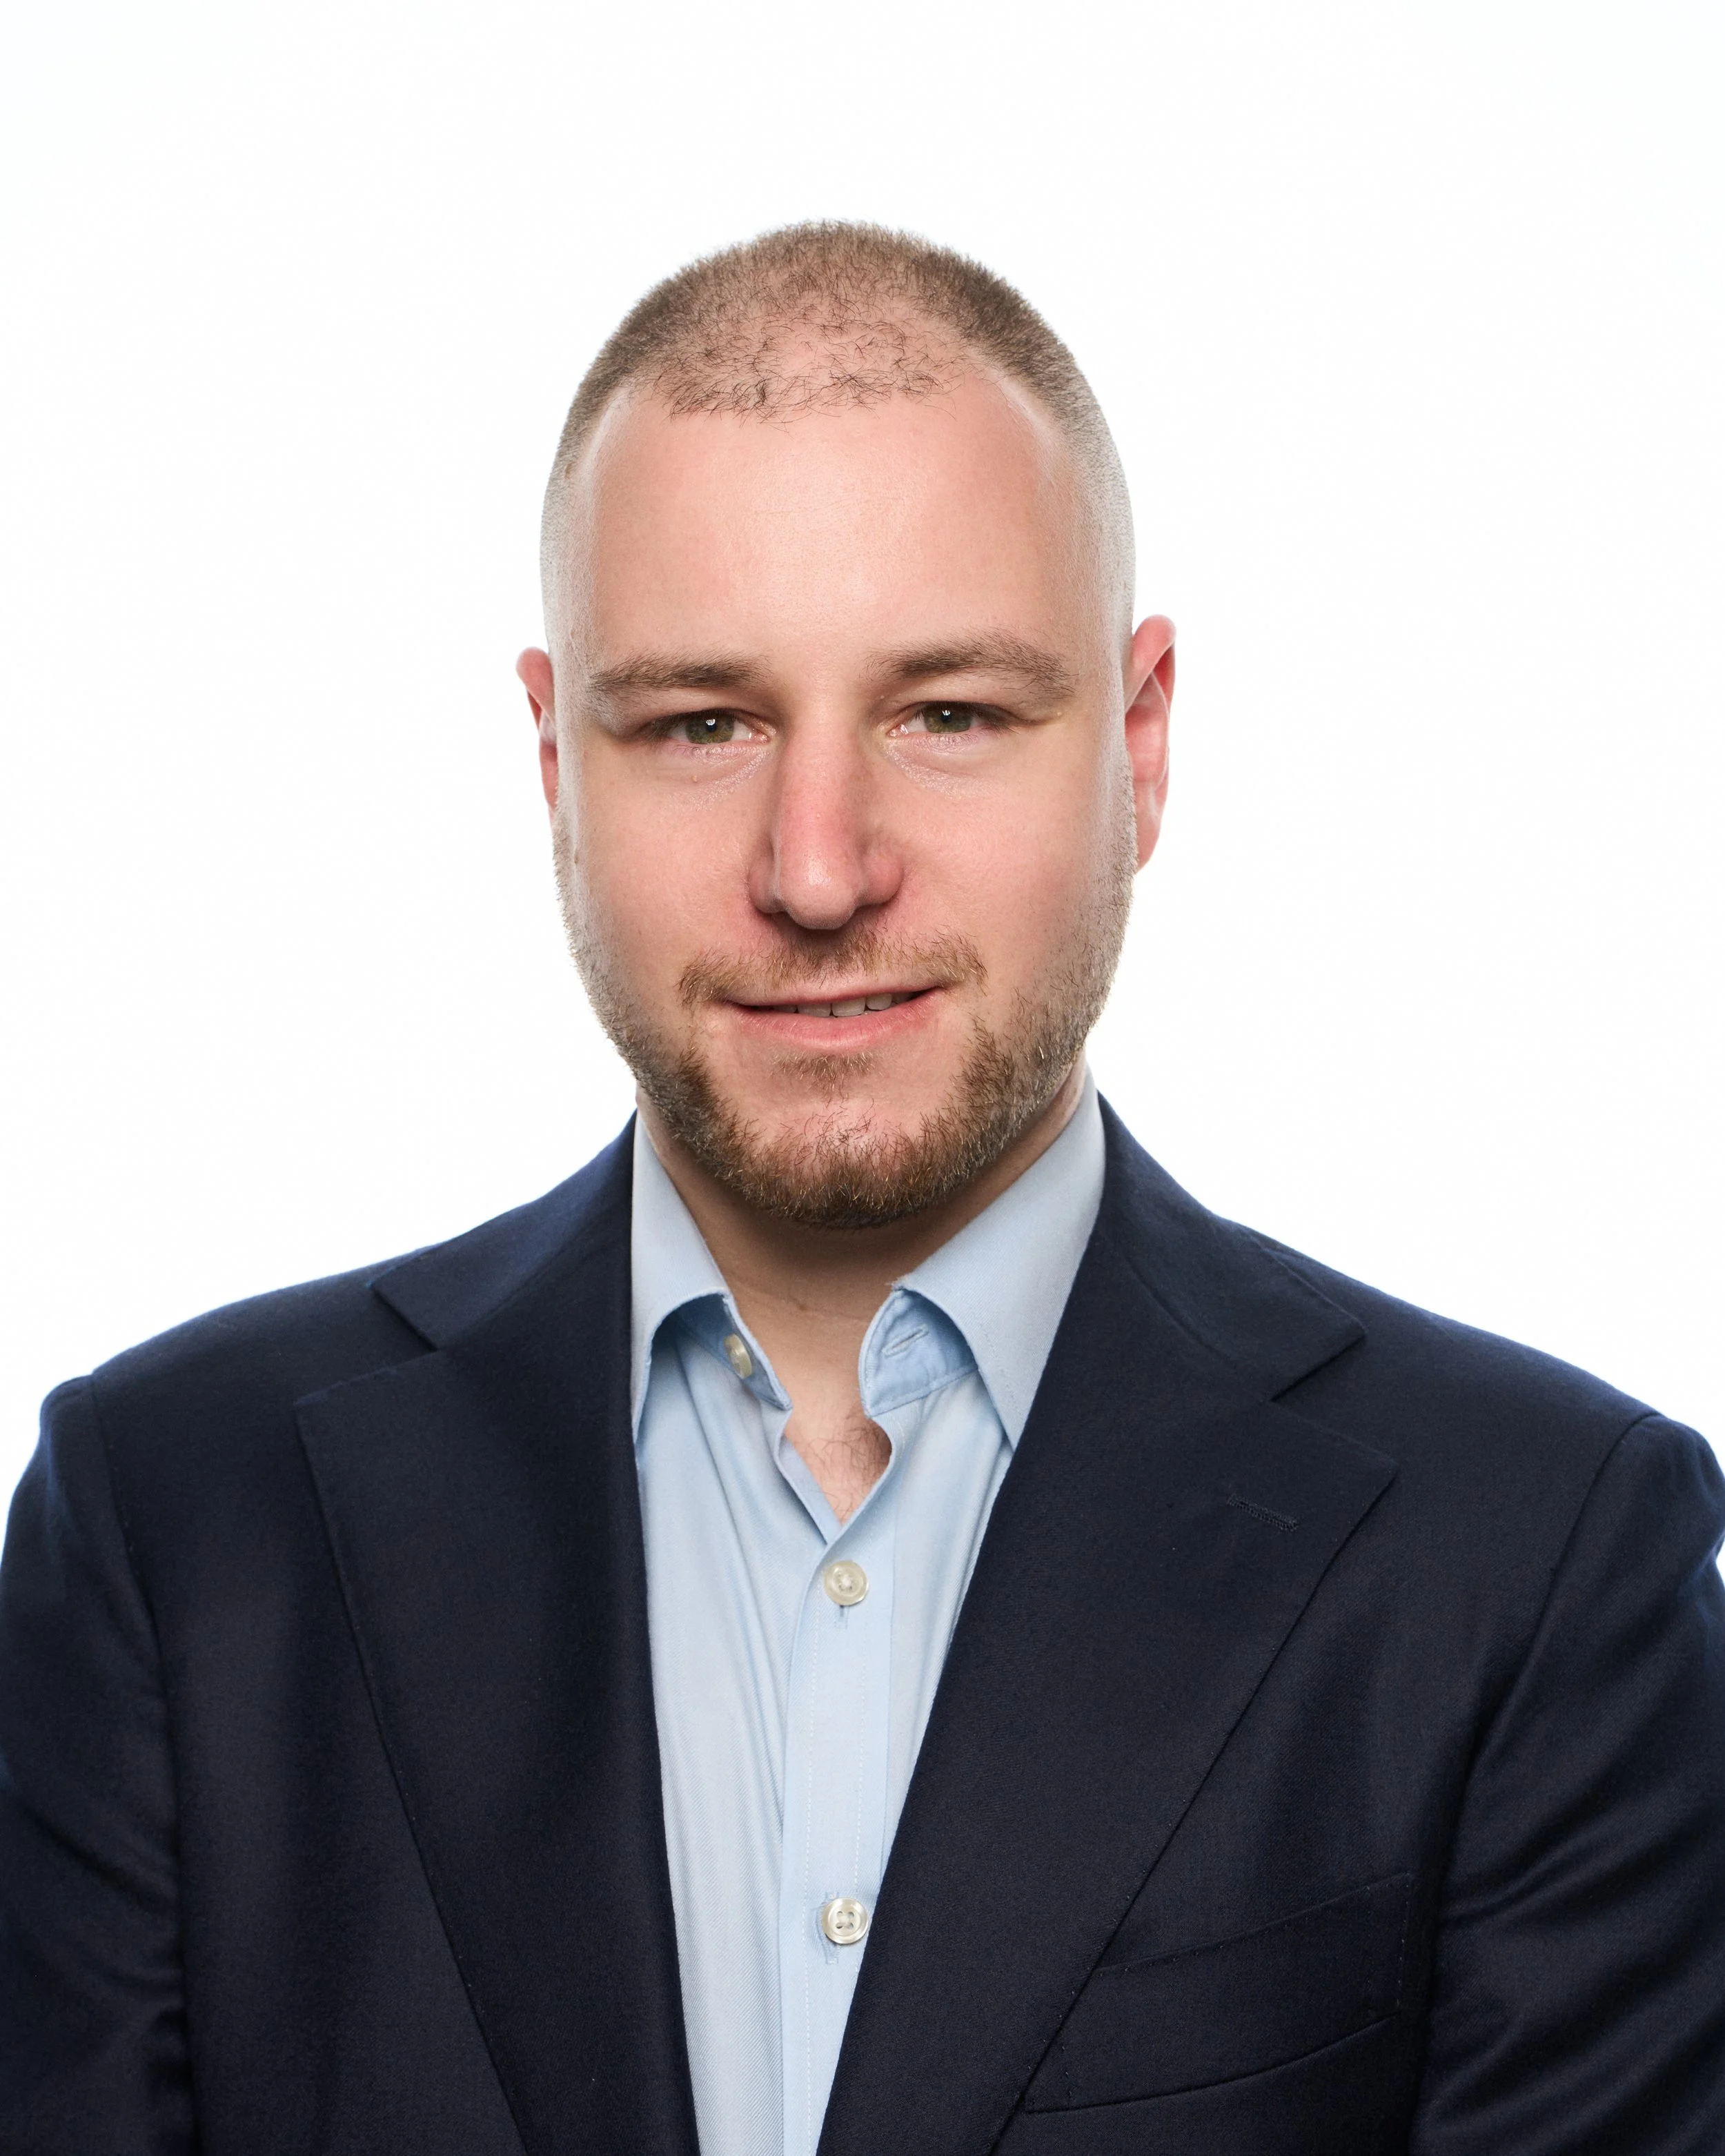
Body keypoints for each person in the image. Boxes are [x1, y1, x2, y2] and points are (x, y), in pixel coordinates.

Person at [1, 221, 1721, 2156]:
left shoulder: (1536, 1557)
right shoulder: (173, 1527)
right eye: (701, 722)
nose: (818, 867)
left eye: (950, 713)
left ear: (1140, 750)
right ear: (553, 759)